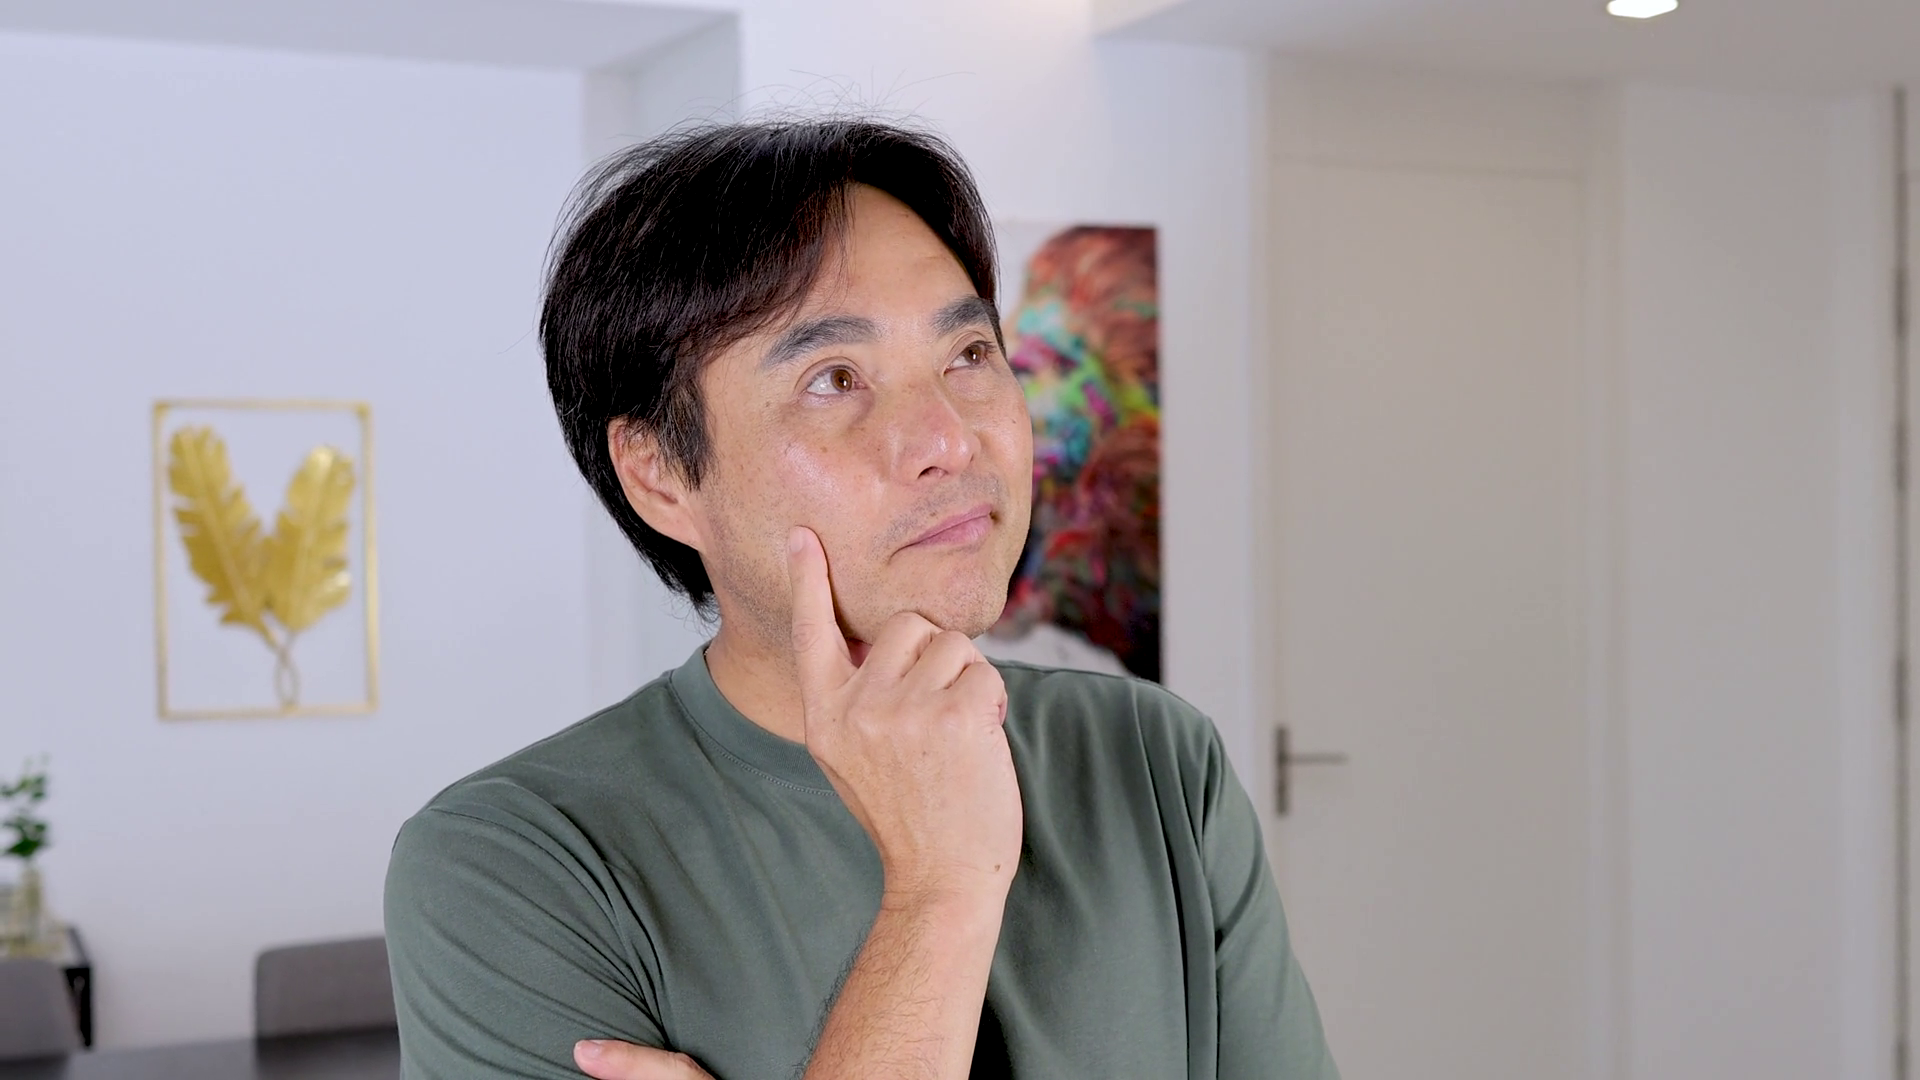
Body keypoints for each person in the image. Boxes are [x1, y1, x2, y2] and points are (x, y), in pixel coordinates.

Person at [383, 118, 1339, 1080]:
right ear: (660, 473)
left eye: (969, 353)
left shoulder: (1152, 759)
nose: (950, 440)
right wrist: (941, 888)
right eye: (834, 379)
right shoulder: (513, 862)